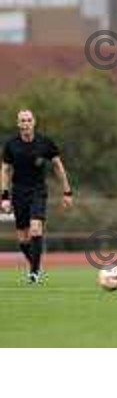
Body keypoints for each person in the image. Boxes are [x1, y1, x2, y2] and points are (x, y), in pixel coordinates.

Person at [0, 109, 73, 283]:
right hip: (19, 192)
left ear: (34, 122)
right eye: (22, 121)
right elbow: (4, 170)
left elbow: (58, 166)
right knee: (23, 238)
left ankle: (33, 273)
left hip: (38, 191)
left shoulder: (45, 143)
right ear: (18, 124)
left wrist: (67, 191)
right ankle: (36, 266)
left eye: (28, 120)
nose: (25, 124)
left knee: (36, 228)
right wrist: (4, 196)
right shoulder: (11, 145)